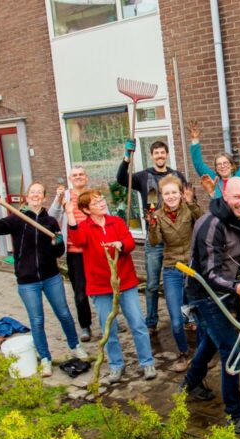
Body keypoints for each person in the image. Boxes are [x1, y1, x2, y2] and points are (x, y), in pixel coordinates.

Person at [180, 177, 240, 435]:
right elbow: (210, 273)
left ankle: (189, 386)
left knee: (211, 341)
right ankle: (235, 415)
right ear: (225, 196)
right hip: (204, 294)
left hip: (225, 289)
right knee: (231, 349)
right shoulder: (211, 224)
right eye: (237, 197)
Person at [0, 183, 88, 377]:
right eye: (33, 192)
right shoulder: (17, 219)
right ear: (27, 196)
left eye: (40, 192)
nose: (36, 194)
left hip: (51, 277)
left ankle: (75, 346)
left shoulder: (50, 222)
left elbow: (59, 252)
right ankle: (45, 359)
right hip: (27, 281)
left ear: (44, 197)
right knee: (37, 321)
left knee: (64, 314)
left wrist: (58, 242)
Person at [65, 189, 156, 382]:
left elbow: (130, 242)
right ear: (87, 210)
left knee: (138, 324)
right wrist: (70, 215)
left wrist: (120, 245)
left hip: (125, 282)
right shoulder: (85, 227)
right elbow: (78, 241)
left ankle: (147, 363)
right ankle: (116, 365)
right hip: (100, 286)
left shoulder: (117, 222)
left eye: (102, 200)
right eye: (96, 203)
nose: (102, 204)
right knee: (109, 329)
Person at [117, 139, 187, 337]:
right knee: (152, 284)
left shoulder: (176, 176)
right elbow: (121, 179)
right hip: (154, 238)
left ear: (167, 154)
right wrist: (126, 158)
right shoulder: (143, 176)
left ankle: (187, 317)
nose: (160, 156)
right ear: (152, 156)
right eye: (156, 153)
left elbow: (187, 201)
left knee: (184, 281)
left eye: (162, 152)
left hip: (175, 238)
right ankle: (151, 322)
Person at [147, 175, 201, 372]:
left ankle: (202, 354)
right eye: (166, 193)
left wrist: (191, 202)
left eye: (174, 192)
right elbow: (154, 242)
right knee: (177, 320)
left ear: (180, 193)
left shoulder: (189, 209)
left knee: (198, 314)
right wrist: (152, 226)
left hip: (192, 267)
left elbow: (202, 221)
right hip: (172, 269)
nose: (170, 196)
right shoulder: (158, 215)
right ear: (162, 196)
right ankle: (183, 353)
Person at [49, 166, 94, 342]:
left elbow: (105, 216)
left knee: (105, 287)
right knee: (80, 292)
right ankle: (85, 325)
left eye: (81, 174)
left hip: (95, 250)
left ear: (86, 177)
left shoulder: (93, 195)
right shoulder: (65, 196)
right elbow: (52, 217)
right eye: (75, 175)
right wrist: (58, 199)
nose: (78, 177)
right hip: (75, 252)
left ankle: (110, 319)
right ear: (70, 179)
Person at [188, 115, 240, 198]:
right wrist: (195, 140)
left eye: (225, 163)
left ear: (232, 165)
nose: (222, 166)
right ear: (216, 168)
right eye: (219, 164)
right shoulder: (214, 180)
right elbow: (199, 164)